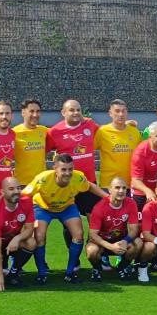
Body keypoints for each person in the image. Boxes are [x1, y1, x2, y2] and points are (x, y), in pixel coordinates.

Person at [22, 153, 108, 285]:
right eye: (63, 169)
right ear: (55, 168)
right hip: (43, 207)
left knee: (78, 235)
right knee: (39, 235)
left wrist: (107, 197)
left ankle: (70, 272)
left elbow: (90, 186)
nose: (68, 173)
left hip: (66, 207)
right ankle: (41, 273)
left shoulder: (78, 177)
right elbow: (23, 195)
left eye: (70, 169)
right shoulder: (43, 179)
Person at [47, 99, 101, 249]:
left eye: (78, 109)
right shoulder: (54, 132)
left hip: (88, 184)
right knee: (70, 224)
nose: (76, 113)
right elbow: (40, 151)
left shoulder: (90, 125)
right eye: (72, 110)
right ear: (63, 113)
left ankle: (97, 255)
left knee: (96, 221)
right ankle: (74, 259)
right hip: (67, 186)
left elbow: (108, 130)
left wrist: (127, 124)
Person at [86, 177, 143, 282]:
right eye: (117, 188)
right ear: (110, 190)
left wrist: (126, 241)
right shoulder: (100, 207)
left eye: (124, 188)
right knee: (91, 251)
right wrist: (110, 246)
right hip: (101, 242)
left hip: (121, 240)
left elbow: (134, 229)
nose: (121, 191)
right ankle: (97, 269)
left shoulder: (131, 203)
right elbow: (93, 234)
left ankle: (122, 268)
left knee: (138, 242)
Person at [94, 99, 142, 190]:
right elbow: (89, 150)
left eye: (123, 111)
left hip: (130, 183)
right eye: (117, 111)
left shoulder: (134, 132)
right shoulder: (102, 131)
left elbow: (141, 155)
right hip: (108, 184)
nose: (121, 114)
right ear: (110, 113)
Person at [12, 99, 49, 186]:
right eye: (31, 111)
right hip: (22, 184)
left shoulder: (45, 131)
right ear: (23, 112)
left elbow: (63, 130)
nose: (35, 115)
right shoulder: (14, 133)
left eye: (38, 111)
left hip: (41, 183)